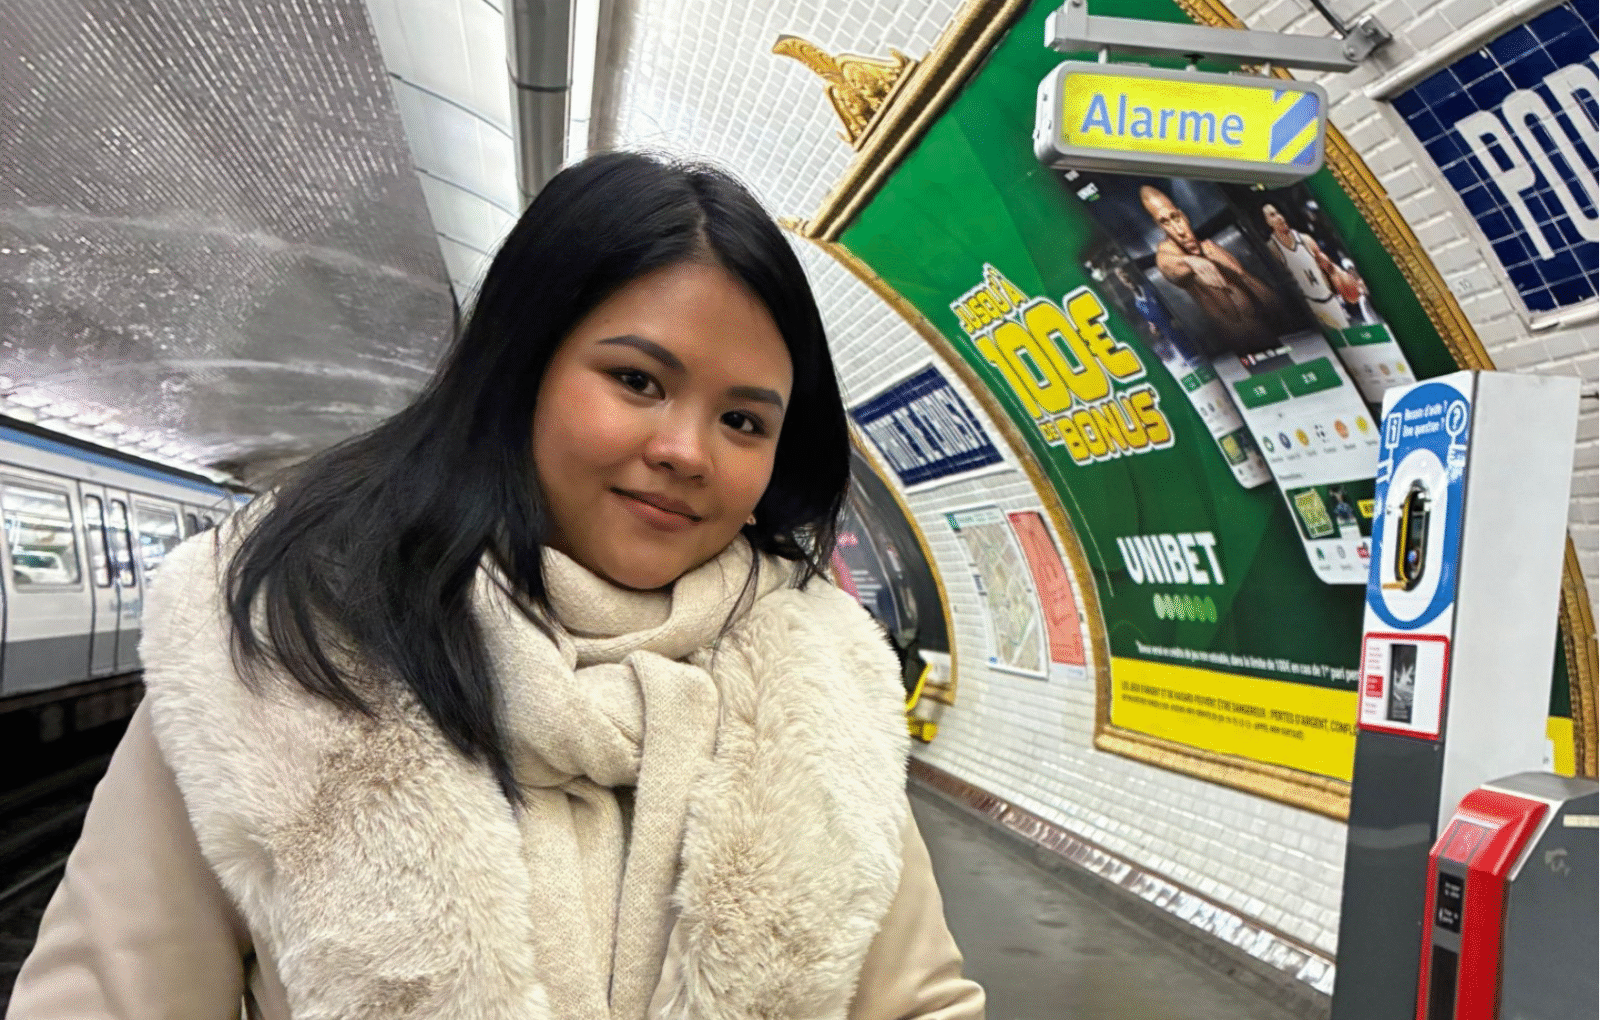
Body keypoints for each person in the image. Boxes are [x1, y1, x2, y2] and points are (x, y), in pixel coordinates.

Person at [9, 153, 986, 1020]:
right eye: (638, 381)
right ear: (520, 367)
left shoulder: (816, 689)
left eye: (742, 421)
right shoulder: (278, 650)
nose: (686, 450)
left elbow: (917, 1003)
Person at [1140, 185, 1279, 352]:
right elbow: (1168, 267)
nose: (1179, 231)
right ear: (1160, 227)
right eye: (1165, 223)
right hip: (1241, 353)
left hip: (1273, 337)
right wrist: (1191, 262)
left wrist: (1241, 275)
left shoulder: (1210, 248)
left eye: (1176, 218)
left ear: (1184, 215)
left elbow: (1273, 304)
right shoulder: (1168, 253)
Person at [1261, 202, 1351, 331]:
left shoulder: (1305, 239)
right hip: (1310, 306)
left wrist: (1337, 274)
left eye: (1279, 213)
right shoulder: (1272, 248)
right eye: (1272, 215)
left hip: (1330, 300)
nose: (1279, 217)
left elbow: (1329, 269)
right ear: (1267, 222)